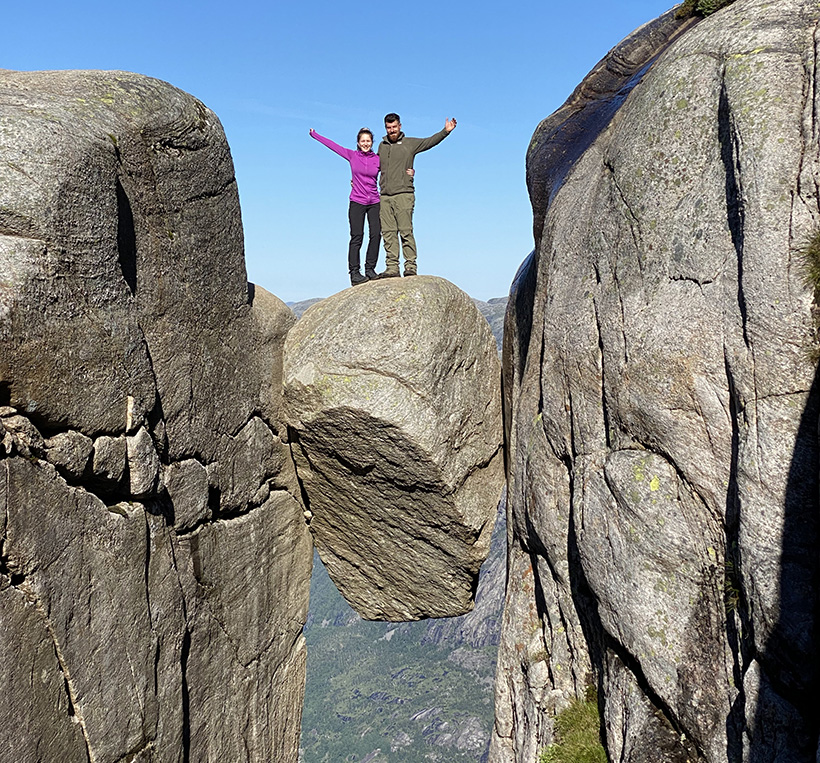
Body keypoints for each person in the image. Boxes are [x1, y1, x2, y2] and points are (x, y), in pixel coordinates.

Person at [377, 113, 457, 278]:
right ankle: (392, 268)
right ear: (386, 128)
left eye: (394, 127)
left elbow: (429, 142)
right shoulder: (381, 146)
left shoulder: (410, 144)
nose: (392, 130)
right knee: (388, 233)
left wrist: (445, 131)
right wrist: (358, 179)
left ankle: (410, 266)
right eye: (389, 128)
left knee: (406, 232)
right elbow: (373, 166)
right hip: (384, 196)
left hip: (404, 194)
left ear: (400, 126)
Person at [310, 127, 382, 285]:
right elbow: (333, 146)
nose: (365, 143)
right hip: (357, 201)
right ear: (358, 142)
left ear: (372, 142)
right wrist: (315, 135)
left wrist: (409, 172)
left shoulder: (377, 159)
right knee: (357, 237)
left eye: (368, 141)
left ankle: (370, 269)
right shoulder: (352, 155)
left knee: (376, 234)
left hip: (374, 202)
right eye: (363, 141)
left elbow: (392, 170)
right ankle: (355, 273)